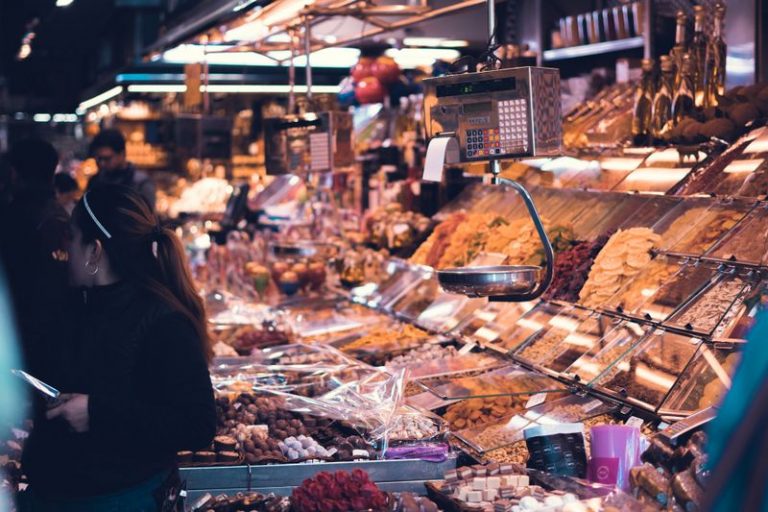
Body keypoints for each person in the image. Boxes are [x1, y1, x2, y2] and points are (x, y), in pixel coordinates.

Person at [20, 184, 216, 512]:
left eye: (71, 236)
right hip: (55, 495)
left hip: (124, 499)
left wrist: (96, 412)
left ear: (95, 251)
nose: (65, 248)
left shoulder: (162, 320)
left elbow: (197, 424)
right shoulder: (73, 304)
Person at [0, 138, 69, 364]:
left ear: (14, 174)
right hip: (58, 339)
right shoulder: (62, 216)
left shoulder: (13, 219)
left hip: (20, 338)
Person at [87, 129, 156, 211]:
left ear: (122, 154)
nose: (102, 163)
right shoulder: (95, 181)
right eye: (98, 158)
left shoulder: (141, 182)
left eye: (107, 158)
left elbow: (148, 217)